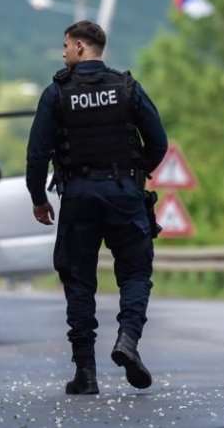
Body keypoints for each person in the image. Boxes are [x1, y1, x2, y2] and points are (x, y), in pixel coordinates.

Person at [26, 20, 168, 395]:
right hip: (124, 193)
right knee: (136, 273)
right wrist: (136, 174)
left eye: (66, 46)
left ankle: (86, 374)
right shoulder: (127, 88)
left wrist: (38, 198)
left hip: (79, 196)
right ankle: (128, 341)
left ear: (80, 47)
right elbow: (159, 141)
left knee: (79, 279)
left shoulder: (56, 94)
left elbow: (37, 153)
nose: (63, 53)